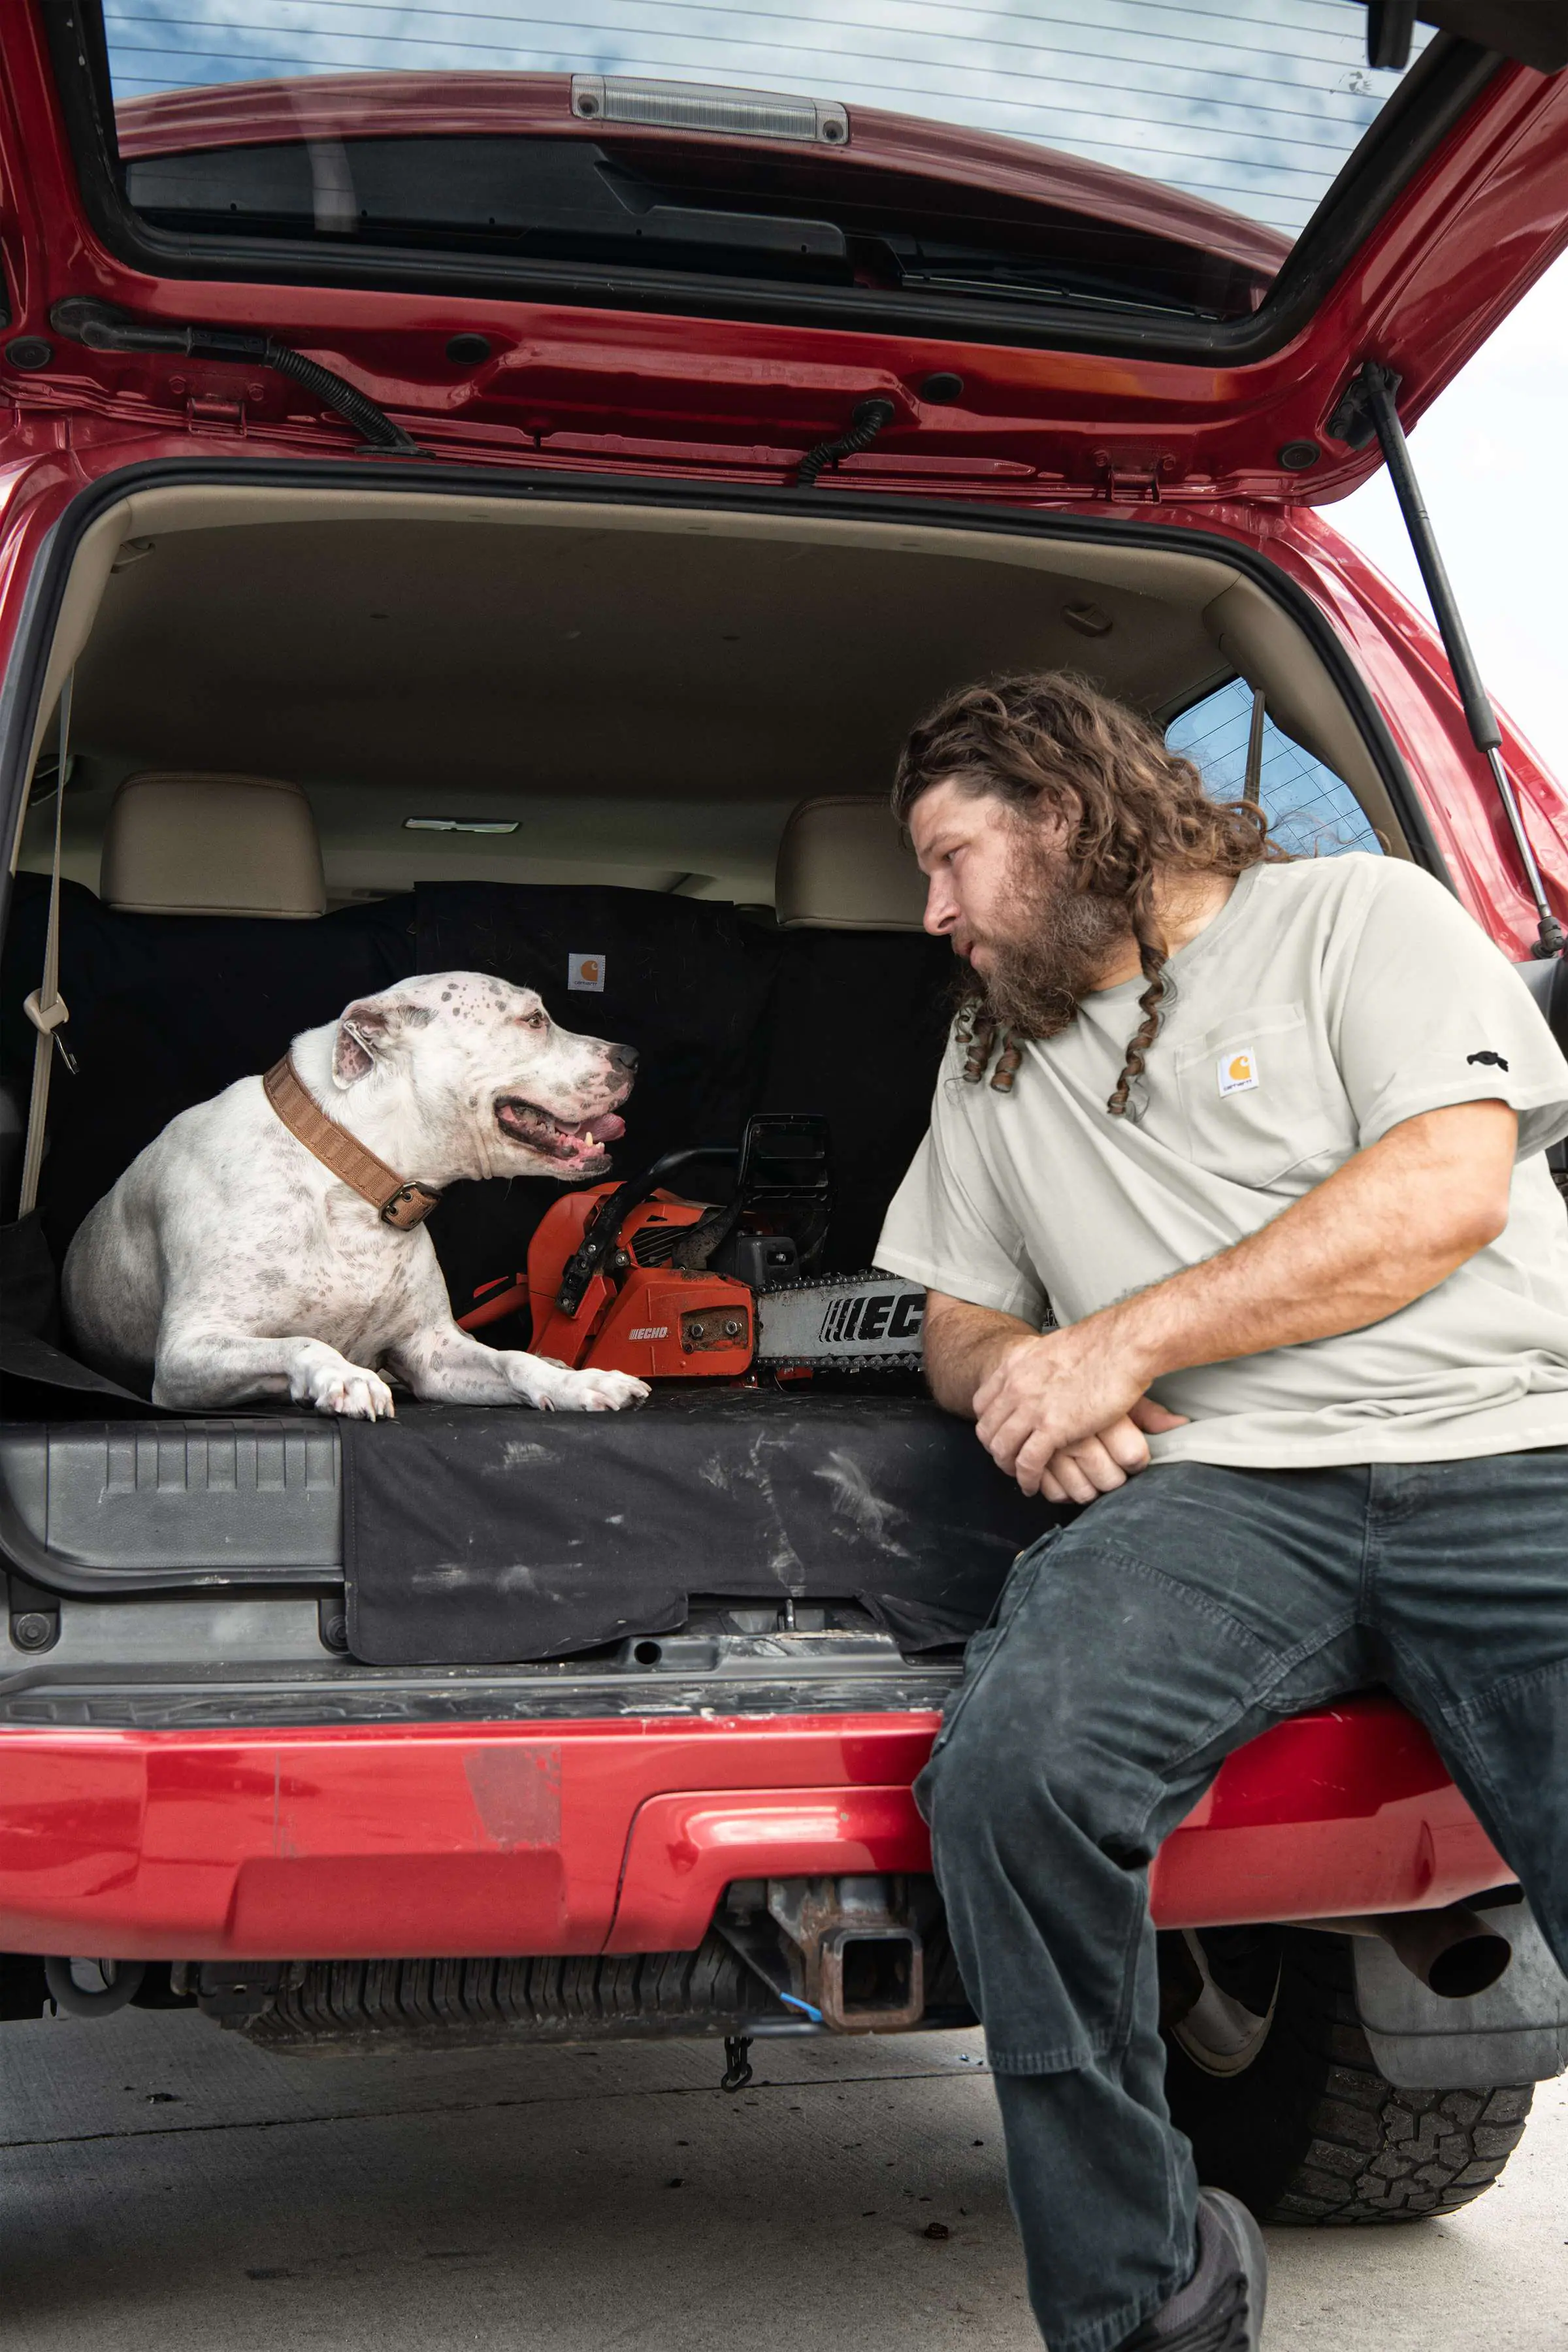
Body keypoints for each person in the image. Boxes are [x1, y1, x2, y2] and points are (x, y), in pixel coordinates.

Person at [873, 672, 1568, 2352]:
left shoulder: (1358, 917)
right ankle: (1148, 2297)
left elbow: (1442, 1191)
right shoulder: (993, 1051)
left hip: (1507, 1449)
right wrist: (1026, 1378)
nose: (932, 911)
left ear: (1061, 813)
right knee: (1017, 1781)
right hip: (1227, 1500)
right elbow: (955, 1315)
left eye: (952, 858)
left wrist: (1118, 1342)